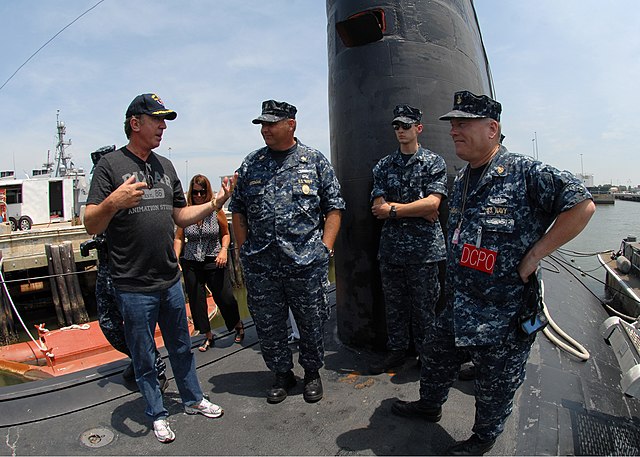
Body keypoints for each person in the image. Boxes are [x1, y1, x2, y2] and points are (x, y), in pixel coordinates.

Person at [390, 91, 595, 455]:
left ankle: (483, 438)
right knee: (435, 357)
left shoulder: (525, 172)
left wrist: (535, 255)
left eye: (463, 124)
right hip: (458, 304)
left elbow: (582, 205)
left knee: (494, 386)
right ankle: (429, 406)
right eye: (453, 124)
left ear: (492, 129)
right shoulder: (463, 178)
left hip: (503, 312)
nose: (454, 131)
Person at [84, 93, 234, 443]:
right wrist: (113, 202)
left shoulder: (165, 167)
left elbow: (180, 216)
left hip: (168, 279)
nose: (163, 126)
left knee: (181, 346)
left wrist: (215, 203)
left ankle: (194, 399)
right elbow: (91, 223)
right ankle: (157, 414)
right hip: (133, 284)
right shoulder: (109, 166)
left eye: (165, 120)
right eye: (157, 120)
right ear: (135, 123)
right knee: (144, 355)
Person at [229, 99, 345, 404]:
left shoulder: (314, 161)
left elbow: (334, 208)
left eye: (270, 124)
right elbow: (238, 210)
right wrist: (244, 251)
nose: (265, 130)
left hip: (306, 264)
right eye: (262, 125)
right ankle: (281, 373)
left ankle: (311, 373)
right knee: (269, 324)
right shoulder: (251, 164)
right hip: (262, 265)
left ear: (290, 124)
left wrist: (325, 248)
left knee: (311, 322)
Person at [369, 104, 447, 374]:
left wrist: (394, 209)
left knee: (425, 308)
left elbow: (433, 205)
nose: (400, 130)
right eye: (397, 126)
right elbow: (378, 207)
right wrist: (416, 209)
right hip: (392, 251)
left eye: (406, 126)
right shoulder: (383, 165)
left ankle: (428, 356)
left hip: (424, 252)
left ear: (418, 128)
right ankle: (397, 352)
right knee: (395, 308)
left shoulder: (434, 163)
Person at [174, 174, 244, 352]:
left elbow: (226, 233)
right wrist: (175, 257)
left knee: (225, 297)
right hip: (191, 260)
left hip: (214, 258)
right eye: (196, 193)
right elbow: (179, 238)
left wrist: (223, 250)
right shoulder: (187, 212)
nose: (198, 196)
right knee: (197, 301)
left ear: (207, 192)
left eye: (202, 192)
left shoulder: (215, 210)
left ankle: (237, 325)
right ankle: (207, 335)